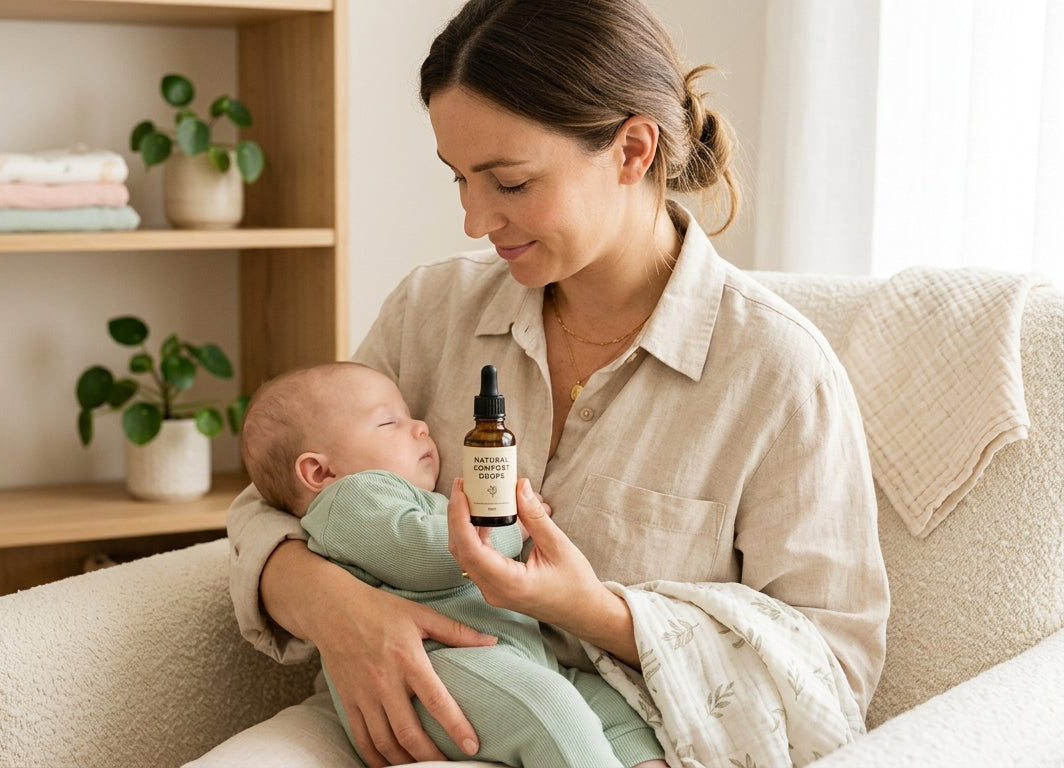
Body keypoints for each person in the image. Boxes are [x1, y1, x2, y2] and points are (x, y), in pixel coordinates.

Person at [194, 0, 891, 766]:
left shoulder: (775, 372)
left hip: (626, 740)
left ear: (632, 149)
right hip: (402, 713)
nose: (474, 219)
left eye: (511, 183)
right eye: (459, 179)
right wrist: (338, 609)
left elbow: (831, 672)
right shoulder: (431, 311)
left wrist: (596, 612)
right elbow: (275, 498)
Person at [239, 360, 668, 768]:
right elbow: (425, 554)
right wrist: (509, 528)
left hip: (513, 658)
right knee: (549, 708)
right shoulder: (348, 499)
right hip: (433, 668)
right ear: (319, 472)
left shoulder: (404, 498)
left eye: (409, 416)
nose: (420, 426)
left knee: (611, 707)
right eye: (389, 422)